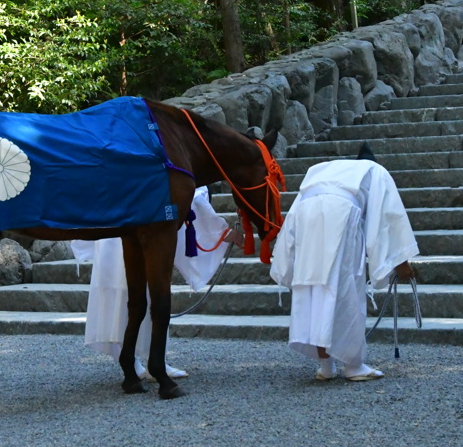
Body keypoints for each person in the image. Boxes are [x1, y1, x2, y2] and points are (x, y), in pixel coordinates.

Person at [269, 143, 418, 382]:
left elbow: (296, 209)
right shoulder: (373, 170)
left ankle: (326, 367)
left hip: (306, 215)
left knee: (312, 286)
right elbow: (389, 218)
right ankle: (354, 365)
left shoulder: (322, 171)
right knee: (345, 286)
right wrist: (401, 264)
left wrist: (287, 259)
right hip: (341, 213)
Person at [71, 186, 241, 379]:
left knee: (130, 294)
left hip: (124, 227)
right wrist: (220, 231)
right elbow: (185, 191)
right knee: (135, 294)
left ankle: (146, 358)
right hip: (127, 232)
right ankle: (136, 358)